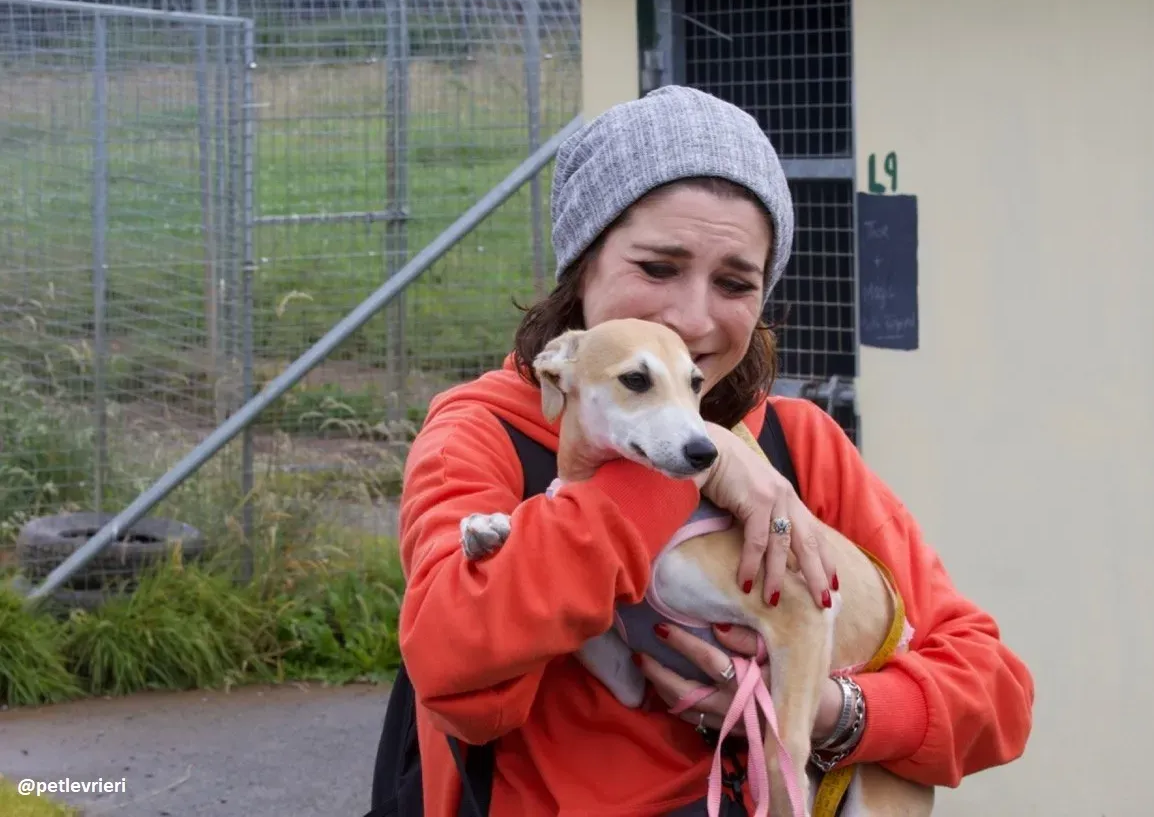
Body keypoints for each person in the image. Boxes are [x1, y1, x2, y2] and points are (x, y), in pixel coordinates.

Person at [397, 85, 1035, 817]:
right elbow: (456, 674)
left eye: (735, 281)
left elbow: (996, 693)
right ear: (583, 268)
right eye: (658, 267)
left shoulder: (797, 442)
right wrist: (695, 466)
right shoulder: (483, 433)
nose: (693, 317)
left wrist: (831, 712)